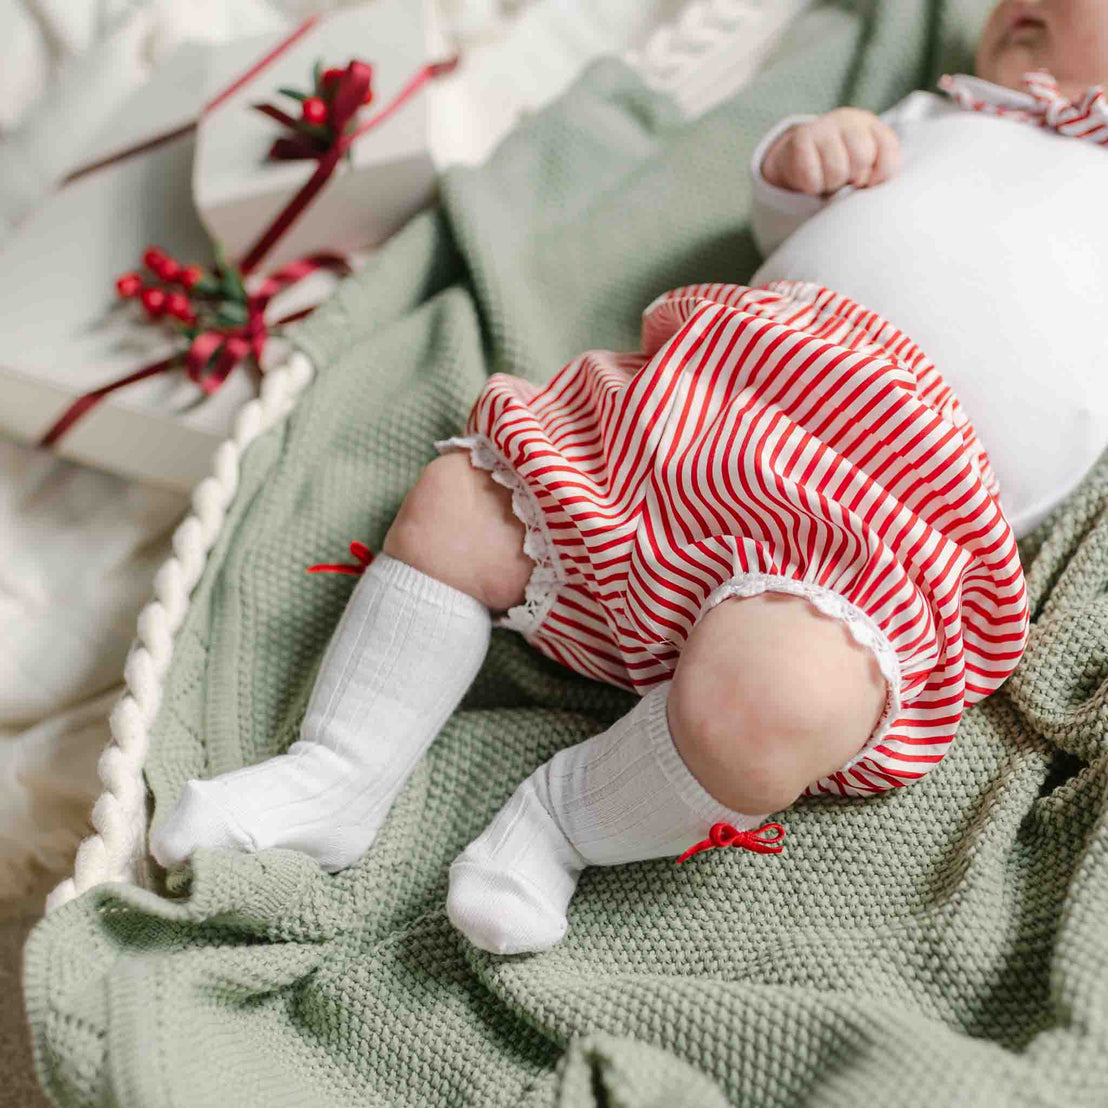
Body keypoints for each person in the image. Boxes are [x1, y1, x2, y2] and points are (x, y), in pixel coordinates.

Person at [153, 0, 1108, 955]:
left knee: (785, 701)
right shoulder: (950, 112)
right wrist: (807, 157)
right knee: (468, 500)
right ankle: (337, 771)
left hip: (889, 510)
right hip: (722, 393)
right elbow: (785, 218)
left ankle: (563, 824)